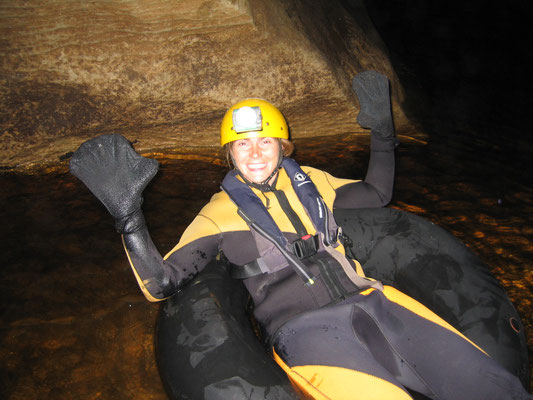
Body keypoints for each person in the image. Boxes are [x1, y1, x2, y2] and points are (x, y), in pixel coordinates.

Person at [70, 71, 531, 400]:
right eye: (242, 144)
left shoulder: (313, 180)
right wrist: (128, 218)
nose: (254, 153)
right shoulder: (216, 214)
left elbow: (376, 193)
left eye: (265, 141)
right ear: (229, 153)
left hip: (378, 302)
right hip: (308, 333)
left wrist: (383, 136)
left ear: (282, 146)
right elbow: (161, 284)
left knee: (491, 386)